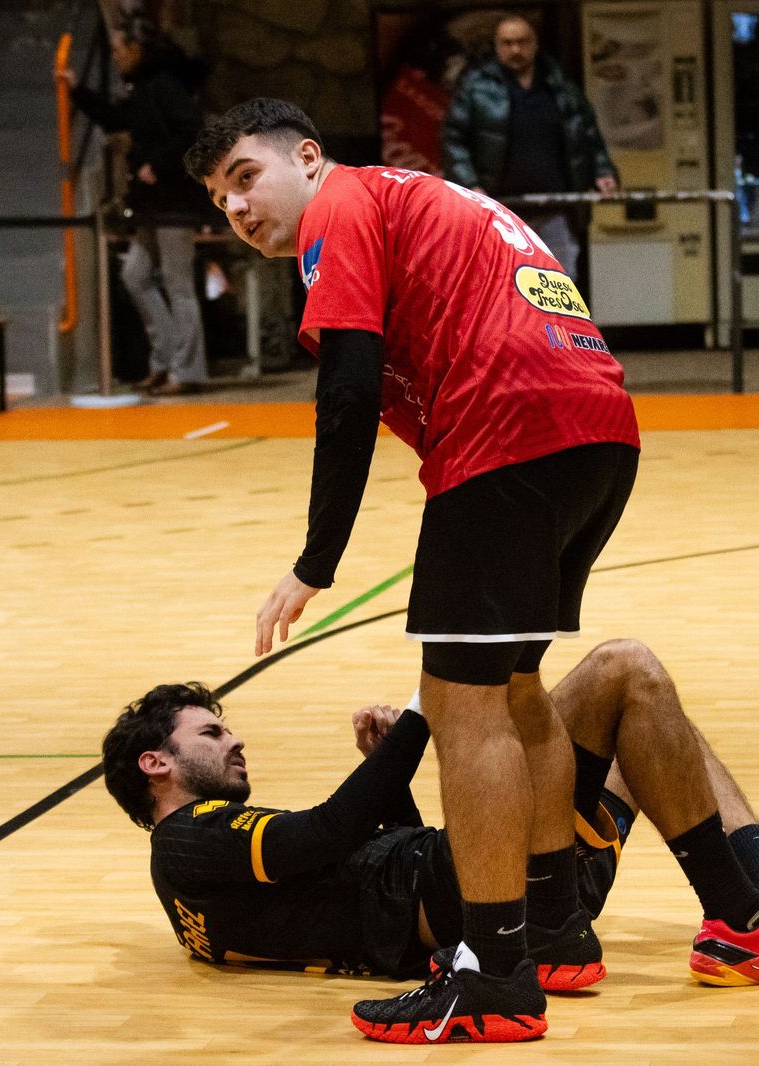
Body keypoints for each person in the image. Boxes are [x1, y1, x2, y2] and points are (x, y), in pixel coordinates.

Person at [188, 97, 655, 1042]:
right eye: (219, 198)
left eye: (246, 177)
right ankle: (558, 929)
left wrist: (315, 561)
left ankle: (490, 977)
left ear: (308, 159)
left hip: (508, 438)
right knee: (519, 692)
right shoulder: (415, 198)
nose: (236, 209)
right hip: (595, 431)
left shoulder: (342, 212)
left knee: (463, 707)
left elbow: (350, 389)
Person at [102, 640, 759, 1042]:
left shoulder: (200, 881)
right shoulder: (187, 845)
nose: (234, 740)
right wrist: (437, 707)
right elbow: (330, 834)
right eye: (211, 733)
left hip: (481, 887)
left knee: (650, 719)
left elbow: (358, 879)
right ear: (157, 764)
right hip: (486, 888)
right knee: (622, 672)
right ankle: (751, 912)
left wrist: (389, 771)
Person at [59, 16, 208, 395]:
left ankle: (187, 371)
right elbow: (117, 119)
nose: (115, 57)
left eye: (119, 50)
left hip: (173, 201)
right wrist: (79, 92)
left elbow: (193, 133)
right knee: (135, 276)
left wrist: (155, 165)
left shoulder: (165, 85)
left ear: (136, 50)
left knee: (178, 283)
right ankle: (166, 361)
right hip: (153, 203)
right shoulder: (144, 87)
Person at [440, 13, 617, 279]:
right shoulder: (475, 89)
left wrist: (603, 171)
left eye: (522, 42)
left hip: (557, 209)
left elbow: (587, 134)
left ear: (535, 44)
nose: (515, 50)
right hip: (500, 212)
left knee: (561, 288)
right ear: (497, 47)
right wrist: (471, 185)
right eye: (507, 43)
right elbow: (453, 140)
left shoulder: (561, 88)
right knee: (503, 288)